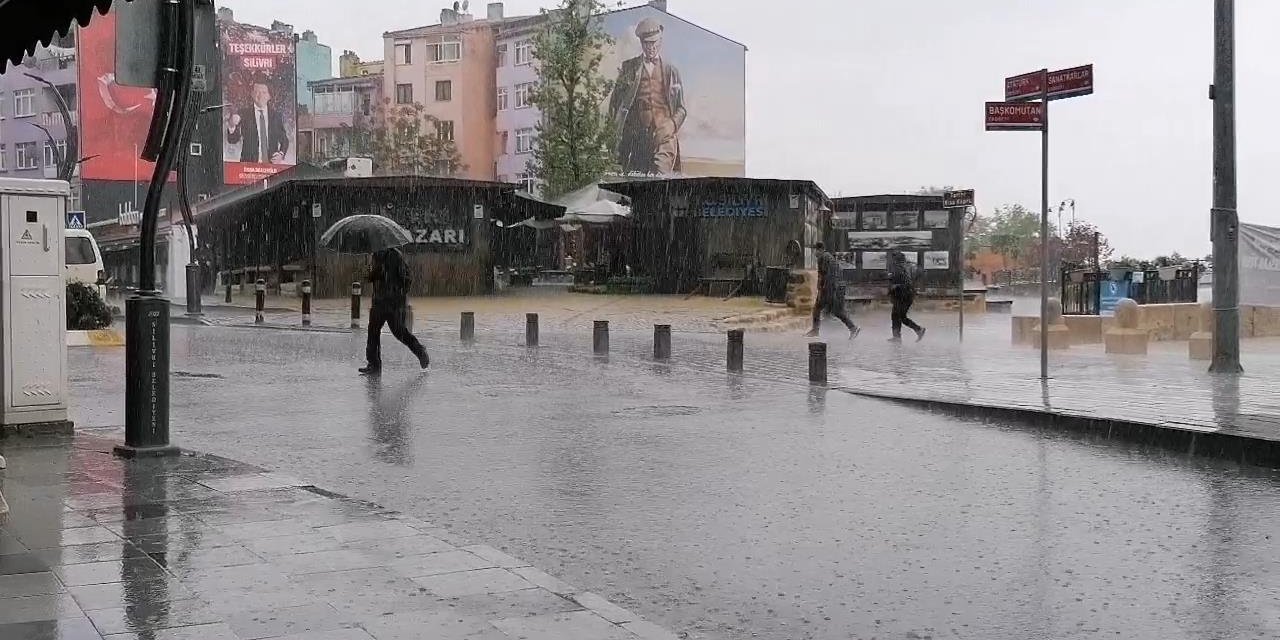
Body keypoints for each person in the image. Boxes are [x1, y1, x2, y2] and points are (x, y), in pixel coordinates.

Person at [608, 17, 686, 175]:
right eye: (647, 43)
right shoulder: (629, 68)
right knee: (638, 181)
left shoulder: (671, 71)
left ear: (661, 40)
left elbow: (681, 109)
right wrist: (613, 134)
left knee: (660, 178)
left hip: (664, 138)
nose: (651, 47)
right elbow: (615, 104)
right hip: (637, 140)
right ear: (641, 43)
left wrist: (671, 125)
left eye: (654, 42)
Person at [360, 247, 430, 375]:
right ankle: (373, 364)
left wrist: (399, 294)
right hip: (379, 302)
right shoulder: (376, 255)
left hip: (394, 303)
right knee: (373, 332)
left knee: (399, 332)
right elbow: (371, 277)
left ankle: (420, 351)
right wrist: (370, 269)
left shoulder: (395, 256)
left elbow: (406, 278)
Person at [226, 78, 289, 164]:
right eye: (257, 92)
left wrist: (281, 154)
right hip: (248, 168)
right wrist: (232, 125)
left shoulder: (276, 116)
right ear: (252, 94)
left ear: (269, 96)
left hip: (271, 168)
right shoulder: (243, 114)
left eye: (264, 92)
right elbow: (233, 140)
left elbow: (284, 140)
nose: (260, 96)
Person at [806, 242, 860, 339]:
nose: (814, 253)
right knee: (835, 311)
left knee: (820, 308)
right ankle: (852, 328)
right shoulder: (829, 257)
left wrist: (822, 290)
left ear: (819, 249)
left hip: (831, 288)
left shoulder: (822, 257)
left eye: (815, 250)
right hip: (836, 287)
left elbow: (823, 276)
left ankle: (815, 330)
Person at [887, 250, 926, 342]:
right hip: (903, 296)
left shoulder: (900, 268)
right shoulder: (905, 267)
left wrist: (894, 285)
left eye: (894, 258)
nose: (893, 260)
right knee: (895, 315)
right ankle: (896, 336)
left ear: (896, 260)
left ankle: (919, 329)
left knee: (901, 317)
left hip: (904, 296)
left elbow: (905, 283)